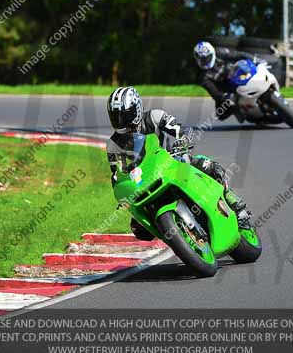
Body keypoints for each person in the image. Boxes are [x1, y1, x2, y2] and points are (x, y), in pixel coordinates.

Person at [106, 86, 253, 240]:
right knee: (138, 228)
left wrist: (182, 141)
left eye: (125, 115)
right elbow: (117, 175)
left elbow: (183, 130)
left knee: (208, 167)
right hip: (145, 180)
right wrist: (123, 192)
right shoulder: (113, 144)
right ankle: (180, 236)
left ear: (136, 109)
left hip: (173, 162)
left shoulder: (154, 117)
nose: (120, 120)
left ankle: (236, 206)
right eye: (116, 116)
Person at [193, 40, 257, 120]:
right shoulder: (201, 76)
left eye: (207, 58)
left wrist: (253, 59)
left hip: (235, 74)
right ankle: (241, 110)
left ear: (212, 54)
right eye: (202, 59)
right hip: (224, 88)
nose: (205, 61)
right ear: (197, 59)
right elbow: (215, 93)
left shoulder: (220, 52)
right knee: (221, 115)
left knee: (252, 70)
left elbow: (238, 54)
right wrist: (225, 98)